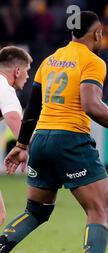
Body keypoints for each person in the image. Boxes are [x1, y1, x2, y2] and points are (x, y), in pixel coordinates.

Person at [2, 11, 108, 253]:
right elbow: (91, 104)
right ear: (96, 34)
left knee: (36, 211)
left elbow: (32, 108)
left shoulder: (50, 60)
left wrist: (22, 145)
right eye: (102, 34)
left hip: (42, 139)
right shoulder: (93, 61)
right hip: (70, 140)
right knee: (99, 208)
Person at [0, 46, 33, 226]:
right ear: (17, 71)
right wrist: (27, 146)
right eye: (27, 71)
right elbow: (14, 120)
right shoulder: (4, 89)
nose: (28, 77)